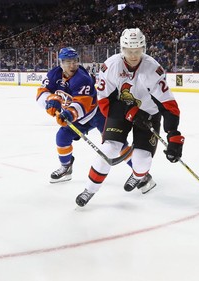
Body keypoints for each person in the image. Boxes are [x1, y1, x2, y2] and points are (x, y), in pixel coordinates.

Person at [75, 28, 185, 207]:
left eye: (137, 50)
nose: (133, 55)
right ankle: (89, 190)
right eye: (129, 51)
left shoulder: (153, 69)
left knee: (142, 161)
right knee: (108, 150)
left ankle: (137, 175)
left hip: (148, 114)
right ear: (122, 49)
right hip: (119, 112)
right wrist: (129, 111)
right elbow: (103, 102)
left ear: (143, 48)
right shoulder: (110, 66)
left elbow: (168, 104)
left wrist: (173, 133)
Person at [36, 47, 154, 190]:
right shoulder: (54, 74)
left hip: (97, 114)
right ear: (61, 62)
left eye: (74, 61)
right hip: (77, 119)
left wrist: (68, 113)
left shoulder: (82, 78)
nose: (72, 65)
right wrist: (50, 100)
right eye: (68, 62)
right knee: (62, 137)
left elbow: (82, 103)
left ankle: (142, 174)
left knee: (117, 143)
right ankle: (66, 167)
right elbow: (42, 92)